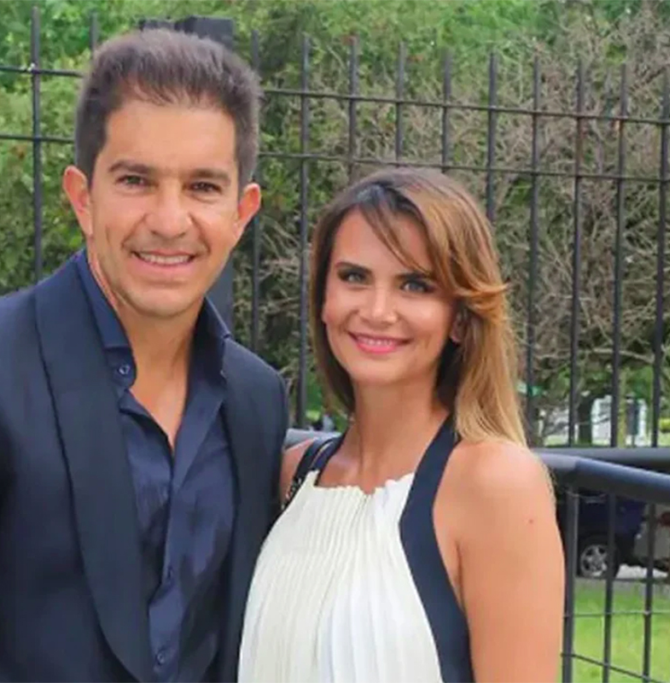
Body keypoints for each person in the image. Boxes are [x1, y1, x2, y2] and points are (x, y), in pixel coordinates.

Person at [0, 27, 289, 682]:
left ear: (241, 212)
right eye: (136, 180)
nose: (169, 220)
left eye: (202, 186)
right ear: (83, 197)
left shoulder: (256, 398)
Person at [238, 168, 565, 682]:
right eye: (354, 277)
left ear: (461, 317)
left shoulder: (495, 484)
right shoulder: (291, 477)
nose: (377, 310)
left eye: (415, 285)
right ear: (323, 300)